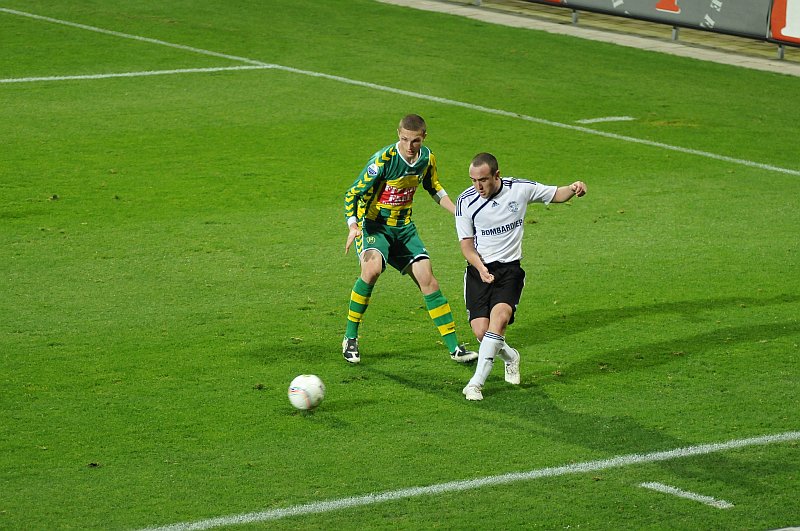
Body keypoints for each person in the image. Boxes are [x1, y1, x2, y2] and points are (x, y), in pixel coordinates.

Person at [341, 114, 478, 364]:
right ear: (398, 134)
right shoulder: (382, 161)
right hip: (375, 226)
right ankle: (350, 338)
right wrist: (353, 226)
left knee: (429, 281)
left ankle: (454, 348)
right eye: (404, 139)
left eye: (415, 141)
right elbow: (352, 193)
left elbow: (434, 187)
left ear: (423, 137)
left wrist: (460, 212)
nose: (409, 146)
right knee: (371, 270)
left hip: (404, 229)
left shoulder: (427, 158)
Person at [455, 152, 587, 400]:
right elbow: (466, 245)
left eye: (483, 180)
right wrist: (481, 268)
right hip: (478, 271)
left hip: (509, 271)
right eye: (473, 180)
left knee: (500, 319)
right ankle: (511, 356)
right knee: (482, 333)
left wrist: (573, 187)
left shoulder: (519, 189)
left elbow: (555, 194)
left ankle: (476, 383)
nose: (478, 186)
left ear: (497, 175)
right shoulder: (465, 201)